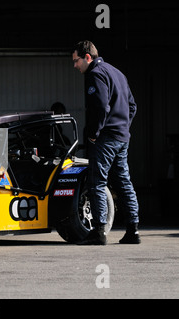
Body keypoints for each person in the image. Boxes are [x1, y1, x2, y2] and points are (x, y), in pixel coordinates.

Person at [72, 40, 140, 245]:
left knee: (96, 182)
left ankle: (99, 231)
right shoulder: (118, 73)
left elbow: (101, 107)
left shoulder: (96, 74)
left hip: (106, 138)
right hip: (122, 137)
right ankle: (133, 230)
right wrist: (123, 127)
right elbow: (132, 106)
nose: (75, 66)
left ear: (88, 57)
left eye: (76, 61)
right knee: (124, 182)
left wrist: (94, 133)